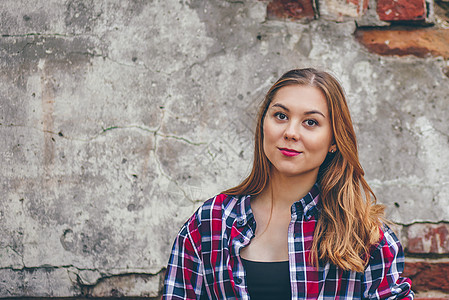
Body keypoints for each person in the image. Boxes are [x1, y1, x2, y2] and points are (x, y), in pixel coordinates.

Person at [162, 68, 414, 299]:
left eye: (311, 122)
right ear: (263, 124)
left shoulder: (364, 237)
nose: (291, 132)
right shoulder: (210, 223)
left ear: (334, 141)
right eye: (280, 116)